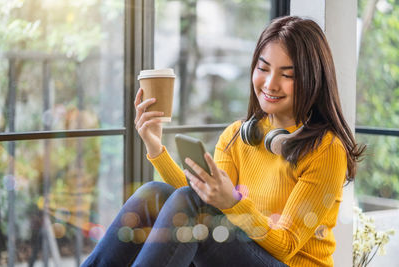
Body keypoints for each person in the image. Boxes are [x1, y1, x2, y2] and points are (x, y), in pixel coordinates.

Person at [81, 15, 365, 267]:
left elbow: (287, 246)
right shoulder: (238, 136)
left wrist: (232, 201)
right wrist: (156, 148)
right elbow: (195, 201)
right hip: (243, 254)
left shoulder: (326, 149)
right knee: (154, 195)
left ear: (312, 80)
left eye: (286, 75)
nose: (269, 84)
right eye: (263, 68)